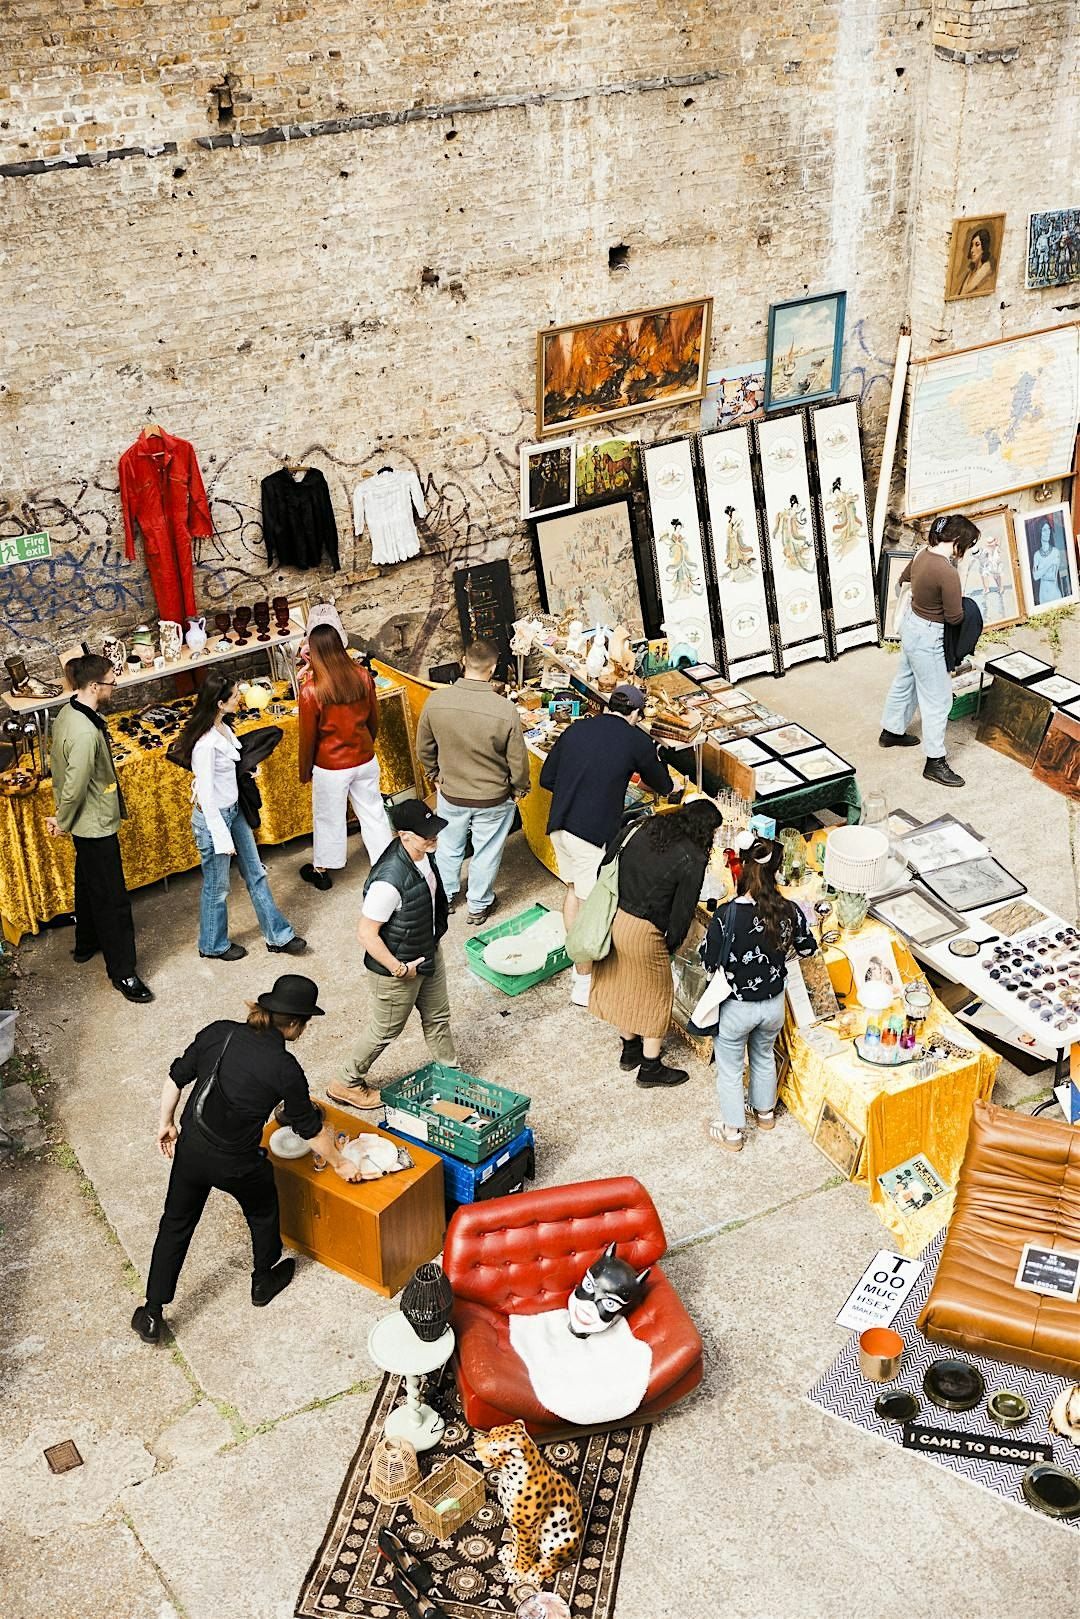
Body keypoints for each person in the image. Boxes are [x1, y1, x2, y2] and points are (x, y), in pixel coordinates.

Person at [131, 975, 362, 1344]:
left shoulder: (219, 1032)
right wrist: (341, 1163)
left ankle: (152, 1312)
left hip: (192, 1150)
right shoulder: (285, 1068)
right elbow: (309, 1129)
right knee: (262, 1209)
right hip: (236, 1163)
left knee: (175, 1223)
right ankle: (262, 1280)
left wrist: (166, 1124)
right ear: (294, 1024)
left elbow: (176, 1077)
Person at [540, 685, 674, 1007]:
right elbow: (665, 785)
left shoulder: (577, 729)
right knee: (591, 907)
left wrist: (583, 787)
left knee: (573, 891)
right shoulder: (635, 739)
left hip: (560, 825)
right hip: (588, 834)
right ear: (636, 713)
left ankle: (578, 961)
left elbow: (547, 778)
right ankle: (584, 980)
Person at [327, 799, 455, 1111]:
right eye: (426, 833)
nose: (433, 836)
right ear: (404, 835)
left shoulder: (422, 854)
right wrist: (399, 969)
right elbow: (366, 933)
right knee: (386, 1029)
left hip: (426, 950)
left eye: (433, 829)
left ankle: (452, 1075)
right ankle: (346, 1082)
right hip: (398, 967)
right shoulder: (388, 881)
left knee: (438, 1016)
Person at [171, 671, 306, 960]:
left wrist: (246, 770)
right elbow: (206, 795)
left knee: (256, 873)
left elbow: (231, 762)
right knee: (217, 887)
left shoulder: (223, 727)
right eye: (234, 696)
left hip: (234, 812)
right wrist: (222, 837)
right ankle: (212, 945)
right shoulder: (205, 744)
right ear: (220, 703)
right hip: (214, 820)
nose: (239, 699)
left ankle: (278, 936)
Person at [590, 799, 723, 1088]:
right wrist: (670, 947)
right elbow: (682, 914)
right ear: (707, 831)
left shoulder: (644, 826)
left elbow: (605, 866)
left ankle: (630, 1049)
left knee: (623, 983)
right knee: (656, 995)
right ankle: (650, 1067)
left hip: (613, 914)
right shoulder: (693, 858)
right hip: (644, 930)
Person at [45, 653, 152, 1003]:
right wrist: (62, 820)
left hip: (84, 823)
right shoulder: (85, 732)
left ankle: (86, 943)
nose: (114, 686)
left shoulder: (68, 712)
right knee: (113, 900)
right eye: (110, 682)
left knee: (88, 878)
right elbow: (75, 784)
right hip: (94, 824)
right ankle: (123, 972)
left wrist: (65, 818)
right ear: (94, 686)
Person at [701, 834, 818, 1153]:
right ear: (775, 872)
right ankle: (765, 1114)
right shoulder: (789, 910)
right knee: (764, 1055)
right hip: (773, 1004)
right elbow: (808, 948)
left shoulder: (726, 915)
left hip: (737, 1006)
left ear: (741, 869)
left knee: (730, 1069)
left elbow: (709, 960)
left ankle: (732, 1132)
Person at [416, 639, 530, 926]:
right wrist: (519, 789)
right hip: (493, 796)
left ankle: (446, 897)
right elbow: (518, 760)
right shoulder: (505, 709)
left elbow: (424, 749)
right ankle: (478, 906)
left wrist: (434, 775)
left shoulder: (436, 701)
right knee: (486, 851)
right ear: (492, 669)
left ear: (464, 662)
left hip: (451, 792)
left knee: (448, 847)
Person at [879, 512, 979, 788]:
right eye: (967, 545)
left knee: (906, 680)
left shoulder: (922, 553)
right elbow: (955, 617)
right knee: (938, 700)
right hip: (929, 637)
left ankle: (892, 730)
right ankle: (935, 761)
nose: (965, 551)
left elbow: (903, 580)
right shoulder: (947, 572)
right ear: (957, 541)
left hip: (911, 626)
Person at [297, 623, 393, 892]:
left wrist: (305, 770)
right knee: (374, 813)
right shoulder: (362, 675)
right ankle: (388, 868)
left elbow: (307, 737)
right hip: (364, 757)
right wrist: (365, 743)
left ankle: (323, 870)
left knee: (329, 818)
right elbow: (373, 719)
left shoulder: (310, 690)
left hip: (331, 765)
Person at [1031, 521, 1066, 605]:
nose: (1048, 532)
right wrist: (1050, 564)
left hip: (1054, 595)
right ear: (1040, 532)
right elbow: (1035, 577)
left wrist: (1040, 573)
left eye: (1049, 529)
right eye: (1044, 530)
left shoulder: (1055, 552)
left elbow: (1052, 576)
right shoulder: (1037, 555)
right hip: (1043, 596)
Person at [957, 225, 994, 296]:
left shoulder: (987, 273)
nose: (972, 250)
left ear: (984, 247)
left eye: (977, 245)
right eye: (972, 245)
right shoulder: (969, 272)